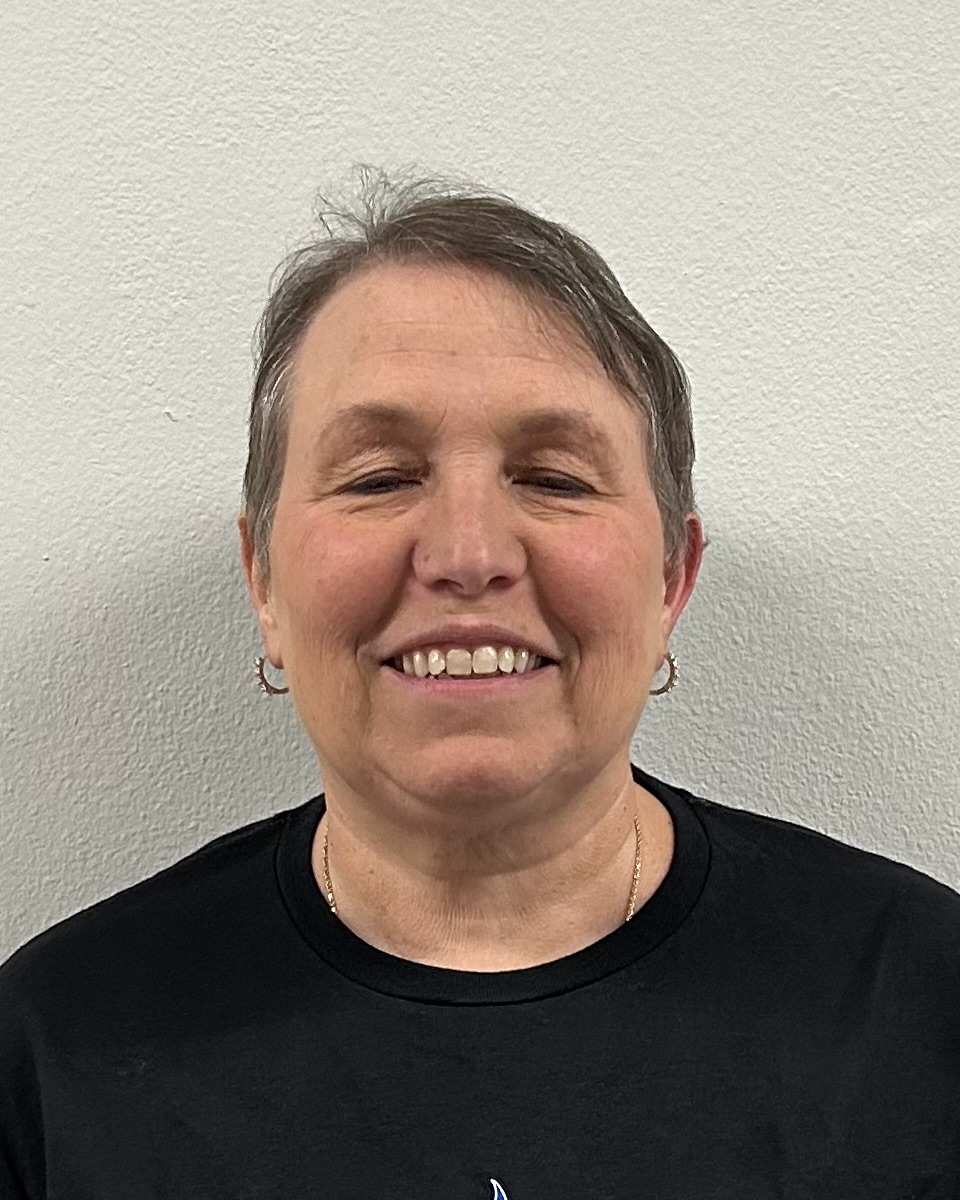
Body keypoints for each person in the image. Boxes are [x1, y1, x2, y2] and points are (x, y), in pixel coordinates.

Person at [1, 171, 958, 1199]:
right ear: (263, 580)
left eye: (554, 479)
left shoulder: (921, 1007)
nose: (467, 555)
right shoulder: (53, 1055)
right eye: (379, 478)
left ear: (671, 581)